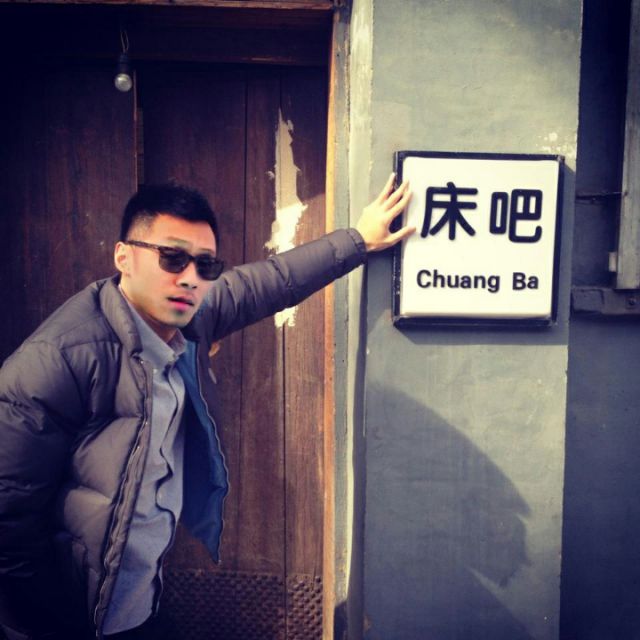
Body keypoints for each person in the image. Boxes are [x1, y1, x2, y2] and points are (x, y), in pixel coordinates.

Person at [0, 174, 413, 640]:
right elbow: (7, 524)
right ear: (124, 257)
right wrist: (54, 624)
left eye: (205, 264)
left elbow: (271, 282)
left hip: (140, 606)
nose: (189, 277)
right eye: (171, 257)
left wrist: (359, 240)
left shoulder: (188, 317)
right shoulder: (58, 360)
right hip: (71, 620)